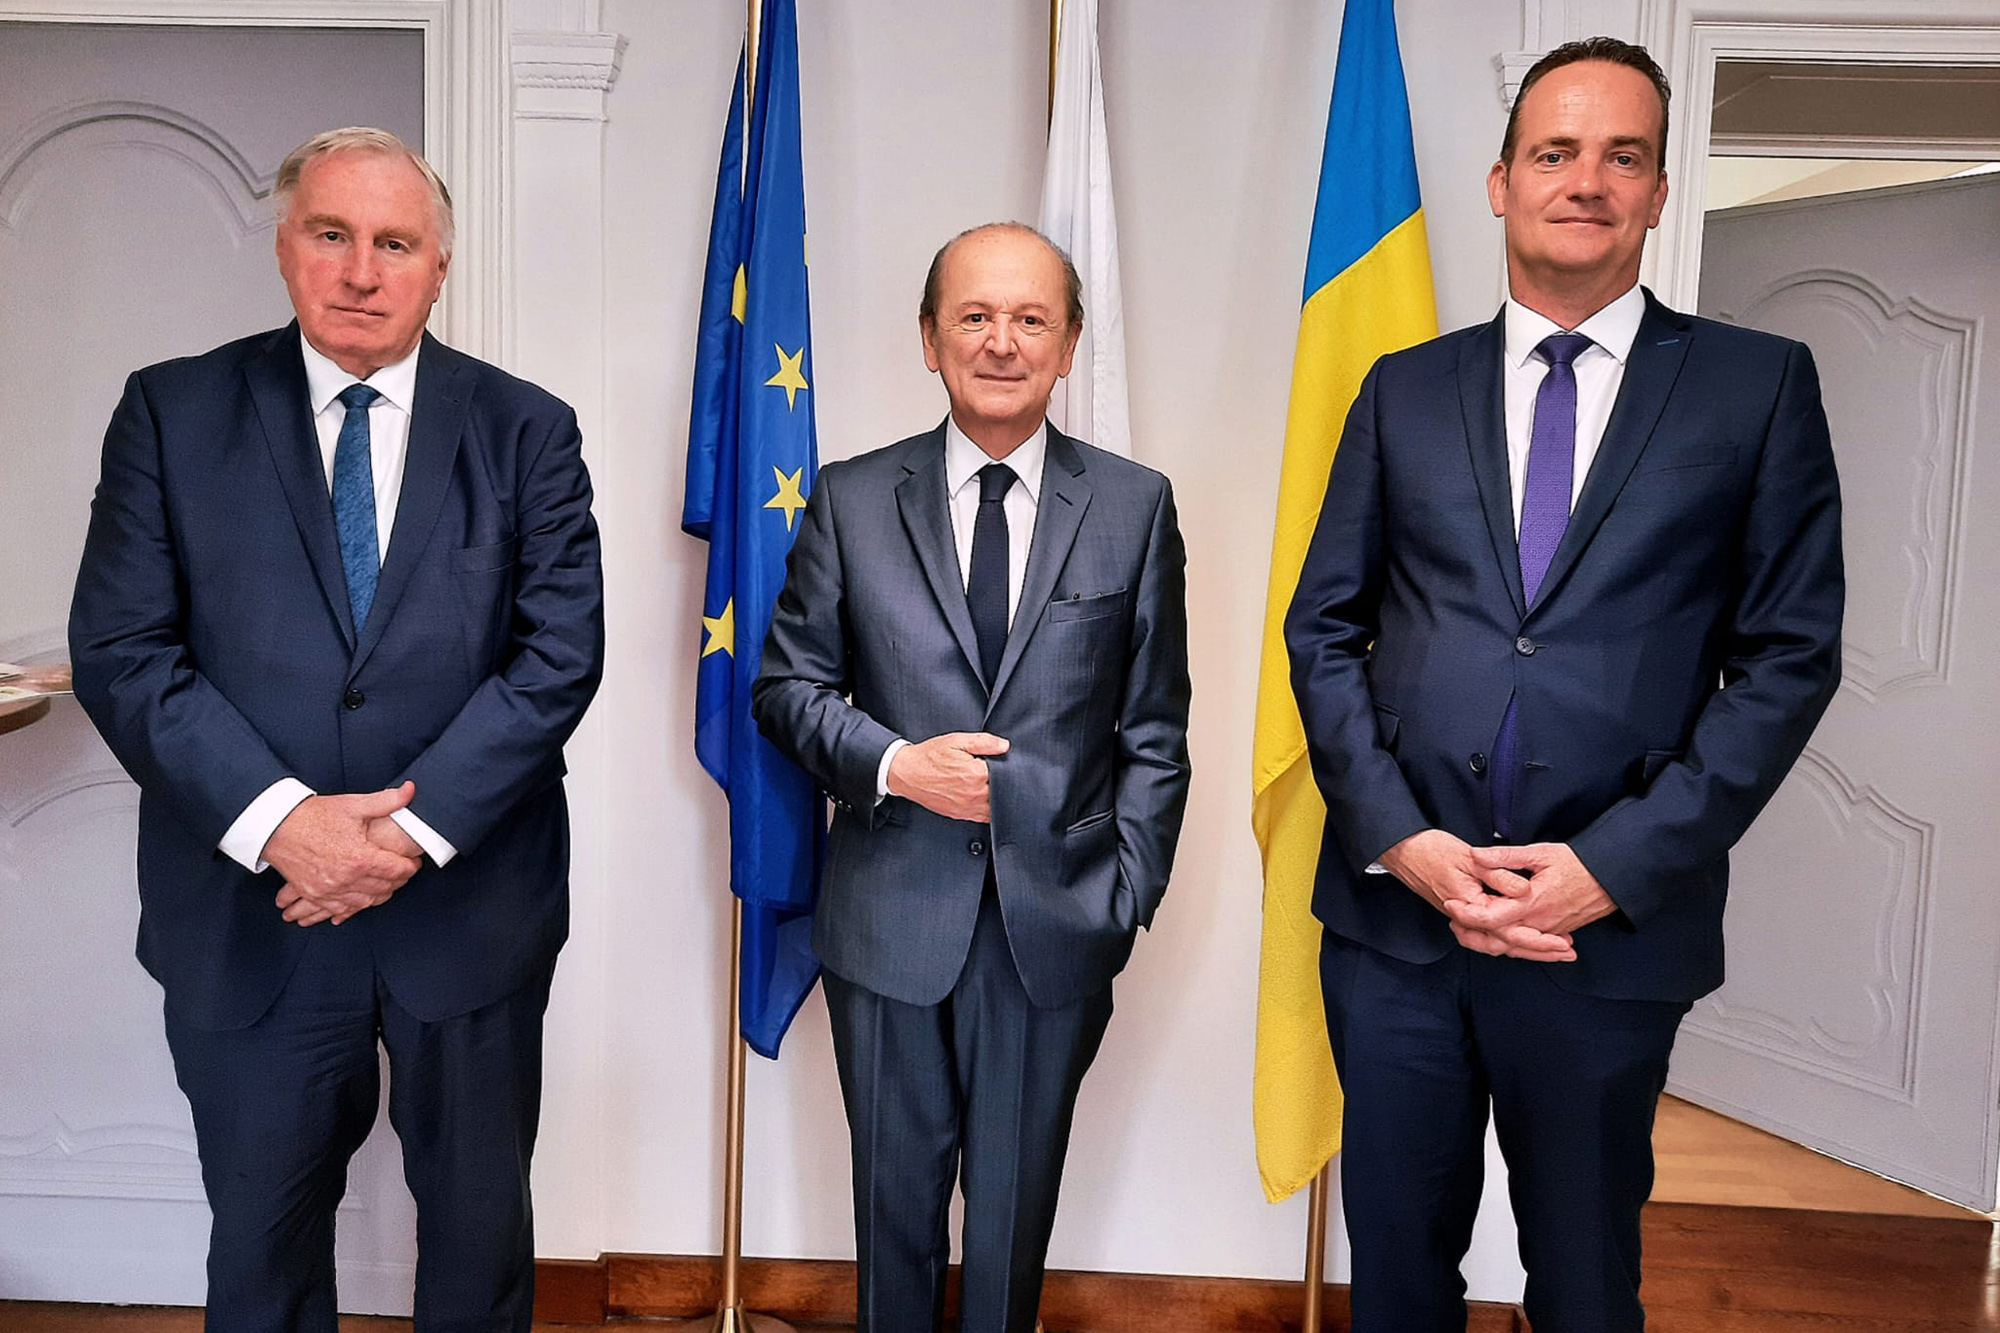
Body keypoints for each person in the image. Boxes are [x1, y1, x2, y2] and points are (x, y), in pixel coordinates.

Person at [1284, 37, 1843, 1333]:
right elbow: (1323, 631)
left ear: (1655, 192)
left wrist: (1617, 864)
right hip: (1401, 927)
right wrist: (1404, 842)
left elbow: (1788, 656)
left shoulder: (1756, 390)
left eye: (1622, 155)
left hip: (1607, 934)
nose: (1585, 179)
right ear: (1500, 182)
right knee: (1401, 1283)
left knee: (1586, 1284)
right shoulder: (1401, 389)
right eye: (1555, 151)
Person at [68, 127, 603, 1331]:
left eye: (394, 243)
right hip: (252, 907)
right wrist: (286, 825)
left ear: (437, 267)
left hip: (469, 909)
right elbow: (124, 649)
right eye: (332, 235)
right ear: (284, 248)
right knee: (260, 1254)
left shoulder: (529, 430)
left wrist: (403, 842)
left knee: (476, 1251)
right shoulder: (171, 412)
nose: (362, 270)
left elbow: (558, 657)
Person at [753, 222, 1191, 1332]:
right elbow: (784, 690)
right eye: (975, 318)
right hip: (889, 918)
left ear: (1068, 342)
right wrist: (898, 764)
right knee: (890, 1215)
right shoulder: (851, 499)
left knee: (1009, 1223)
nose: (1002, 342)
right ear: (929, 340)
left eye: (1030, 319)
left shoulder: (1134, 506)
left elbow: (1154, 725)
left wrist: (1120, 899)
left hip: (1053, 927)